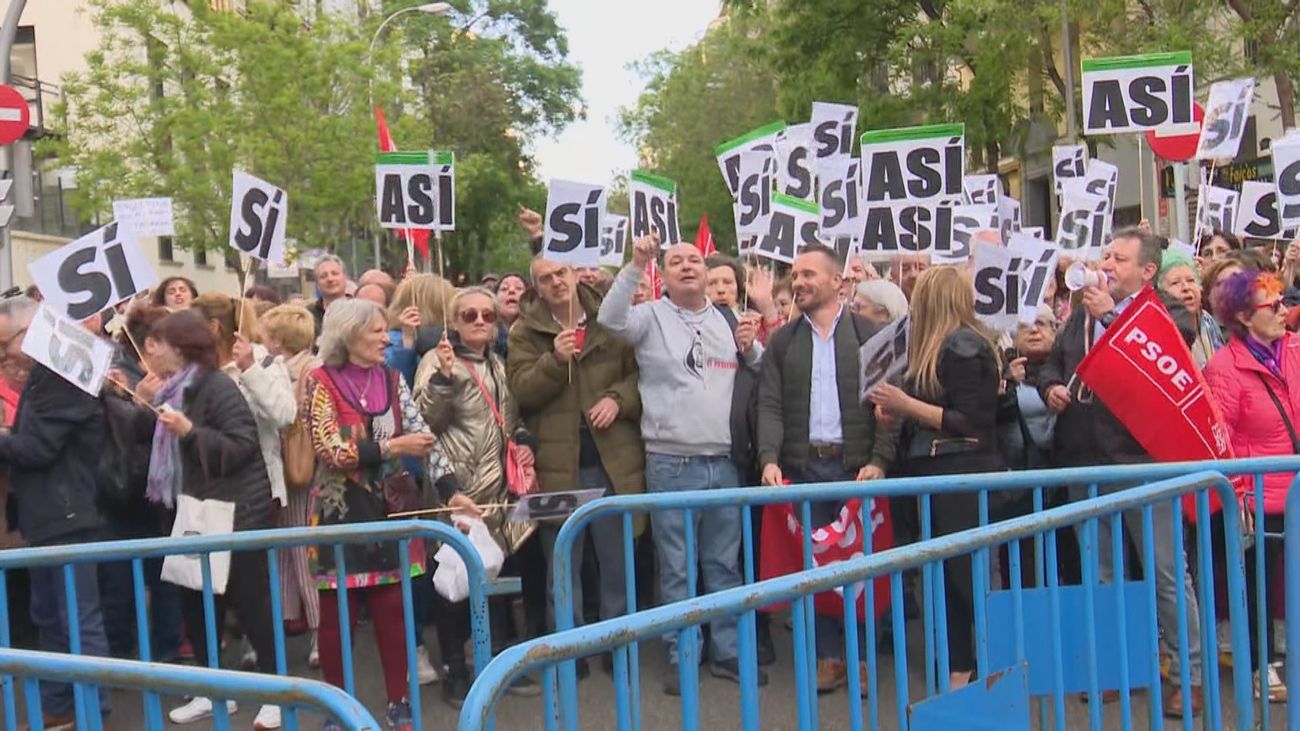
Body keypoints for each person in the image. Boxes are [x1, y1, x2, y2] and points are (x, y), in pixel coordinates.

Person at [1037, 227, 1204, 717]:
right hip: (1087, 463)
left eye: (1119, 259)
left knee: (1167, 573)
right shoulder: (1079, 317)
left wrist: (1110, 314)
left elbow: (1159, 353)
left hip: (1143, 464)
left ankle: (1189, 675)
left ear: (1147, 272)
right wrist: (1049, 387)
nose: (1106, 264)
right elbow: (1051, 365)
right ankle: (1110, 668)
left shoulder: (1168, 311)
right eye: (1105, 254)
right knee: (1101, 575)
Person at [599, 232, 768, 694]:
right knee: (676, 567)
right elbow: (608, 319)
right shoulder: (649, 317)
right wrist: (634, 264)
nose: (688, 266)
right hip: (672, 463)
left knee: (723, 565)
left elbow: (760, 371)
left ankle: (728, 651)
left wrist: (752, 348)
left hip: (725, 463)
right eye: (677, 262)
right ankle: (682, 654)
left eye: (695, 259)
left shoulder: (730, 319)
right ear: (664, 275)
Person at [306, 299, 476, 728]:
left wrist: (452, 491)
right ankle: (336, 708)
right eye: (377, 331)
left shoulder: (392, 377)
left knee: (393, 611)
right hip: (338, 514)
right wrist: (392, 448)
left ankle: (398, 702)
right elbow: (331, 450)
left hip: (392, 510)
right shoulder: (319, 380)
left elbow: (423, 436)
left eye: (386, 330)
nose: (387, 338)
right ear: (348, 334)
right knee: (336, 616)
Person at [129, 310, 280, 728]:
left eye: (155, 343)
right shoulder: (166, 389)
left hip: (234, 513)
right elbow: (143, 437)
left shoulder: (217, 386)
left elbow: (242, 445)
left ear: (179, 347)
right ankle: (213, 690)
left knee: (249, 605)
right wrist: (138, 402)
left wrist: (191, 432)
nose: (149, 351)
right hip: (188, 512)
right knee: (195, 603)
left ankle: (277, 691)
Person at [757, 243, 893, 693]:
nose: (798, 282)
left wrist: (878, 460)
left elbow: (888, 405)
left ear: (838, 281)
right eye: (794, 275)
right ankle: (829, 658)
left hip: (855, 469)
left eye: (808, 274)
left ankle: (862, 659)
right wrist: (770, 459)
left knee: (859, 569)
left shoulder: (872, 331)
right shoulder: (782, 340)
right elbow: (771, 405)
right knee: (815, 572)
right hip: (805, 468)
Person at [866, 266, 1004, 691]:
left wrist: (906, 404)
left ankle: (984, 665)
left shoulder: (962, 345)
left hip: (960, 476)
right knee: (945, 580)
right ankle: (960, 668)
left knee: (965, 579)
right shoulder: (933, 348)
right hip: (936, 474)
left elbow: (972, 421)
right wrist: (898, 413)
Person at [507, 256, 643, 667]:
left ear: (575, 273)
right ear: (537, 287)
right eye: (545, 279)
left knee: (616, 565)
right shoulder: (524, 331)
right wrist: (554, 360)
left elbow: (640, 375)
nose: (555, 283)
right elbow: (521, 392)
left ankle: (616, 645)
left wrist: (617, 401)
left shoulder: (611, 318)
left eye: (560, 273)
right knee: (562, 568)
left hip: (611, 462)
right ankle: (569, 651)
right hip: (556, 466)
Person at [414, 288, 537, 704]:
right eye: (470, 314)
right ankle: (455, 670)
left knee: (497, 576)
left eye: (488, 314)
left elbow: (512, 418)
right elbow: (424, 423)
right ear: (454, 319)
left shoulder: (499, 364)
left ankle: (497, 664)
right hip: (458, 491)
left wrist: (523, 443)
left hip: (498, 490)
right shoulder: (436, 360)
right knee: (455, 584)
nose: (480, 320)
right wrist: (444, 379)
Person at [0, 297, 113, 729]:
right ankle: (60, 708)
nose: (6, 355)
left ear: (30, 331)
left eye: (6, 343)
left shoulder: (61, 375)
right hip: (49, 514)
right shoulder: (48, 374)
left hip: (68, 515)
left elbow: (37, 447)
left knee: (77, 621)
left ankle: (91, 714)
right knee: (50, 618)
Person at [1203, 270, 1294, 702]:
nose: (1280, 308)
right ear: (1242, 316)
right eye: (1270, 304)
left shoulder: (1294, 351)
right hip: (1257, 499)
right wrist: (1238, 492)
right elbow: (1220, 438)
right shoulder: (1224, 368)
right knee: (1256, 587)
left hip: (1294, 491)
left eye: (1280, 300)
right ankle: (1260, 667)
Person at [98, 305, 183, 664]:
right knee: (120, 579)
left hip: (162, 490)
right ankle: (121, 650)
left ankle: (167, 648)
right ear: (150, 344)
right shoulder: (115, 375)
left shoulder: (177, 375)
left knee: (166, 576)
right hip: (125, 488)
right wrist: (140, 401)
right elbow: (126, 431)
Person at [258, 304, 322, 668]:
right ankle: (286, 622)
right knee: (285, 550)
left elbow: (296, 418)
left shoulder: (306, 371)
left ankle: (318, 628)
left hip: (299, 472)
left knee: (301, 551)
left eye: (266, 336)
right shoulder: (282, 368)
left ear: (279, 340)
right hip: (281, 471)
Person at [192, 294, 296, 510]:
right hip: (209, 489)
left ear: (213, 327)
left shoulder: (264, 362)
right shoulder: (196, 368)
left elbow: (285, 416)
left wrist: (250, 369)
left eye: (193, 326)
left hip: (257, 490)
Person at [1158, 249, 1224, 367]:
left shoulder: (1208, 322)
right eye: (1175, 283)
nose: (1186, 287)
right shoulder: (1159, 330)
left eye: (1191, 280)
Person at [311, 255, 350, 334]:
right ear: (317, 284)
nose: (330, 279)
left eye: (335, 274)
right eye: (323, 276)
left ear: (345, 277)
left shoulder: (360, 311)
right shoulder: (309, 316)